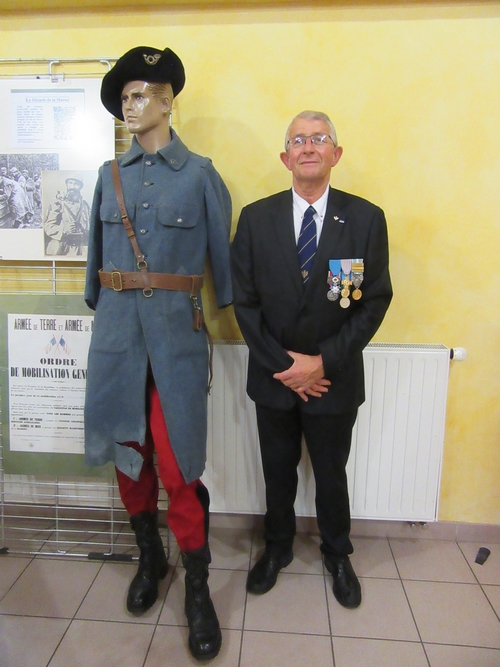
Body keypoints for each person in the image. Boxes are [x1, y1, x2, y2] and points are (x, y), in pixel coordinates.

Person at [84, 46, 232, 661]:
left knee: (178, 468)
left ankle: (197, 587)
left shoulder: (200, 174)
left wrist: (232, 317)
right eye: (123, 97)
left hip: (176, 342)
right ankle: (151, 559)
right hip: (118, 340)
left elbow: (222, 270)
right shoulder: (106, 175)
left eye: (141, 93)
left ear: (170, 98)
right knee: (129, 460)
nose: (130, 104)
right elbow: (96, 266)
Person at [231, 110, 392, 609]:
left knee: (330, 471)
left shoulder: (365, 219)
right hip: (273, 378)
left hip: (334, 380)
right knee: (276, 471)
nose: (308, 147)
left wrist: (321, 364)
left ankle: (337, 554)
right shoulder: (256, 220)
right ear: (285, 157)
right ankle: (276, 549)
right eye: (298, 140)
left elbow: (374, 301)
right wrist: (288, 367)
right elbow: (245, 302)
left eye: (319, 138)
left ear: (335, 154)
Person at [44, 177, 90, 255]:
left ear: (80, 187)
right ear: (67, 185)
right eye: (70, 183)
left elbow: (90, 228)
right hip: (61, 246)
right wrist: (63, 230)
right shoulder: (57, 204)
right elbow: (47, 227)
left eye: (76, 184)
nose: (72, 186)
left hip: (80, 248)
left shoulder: (85, 206)